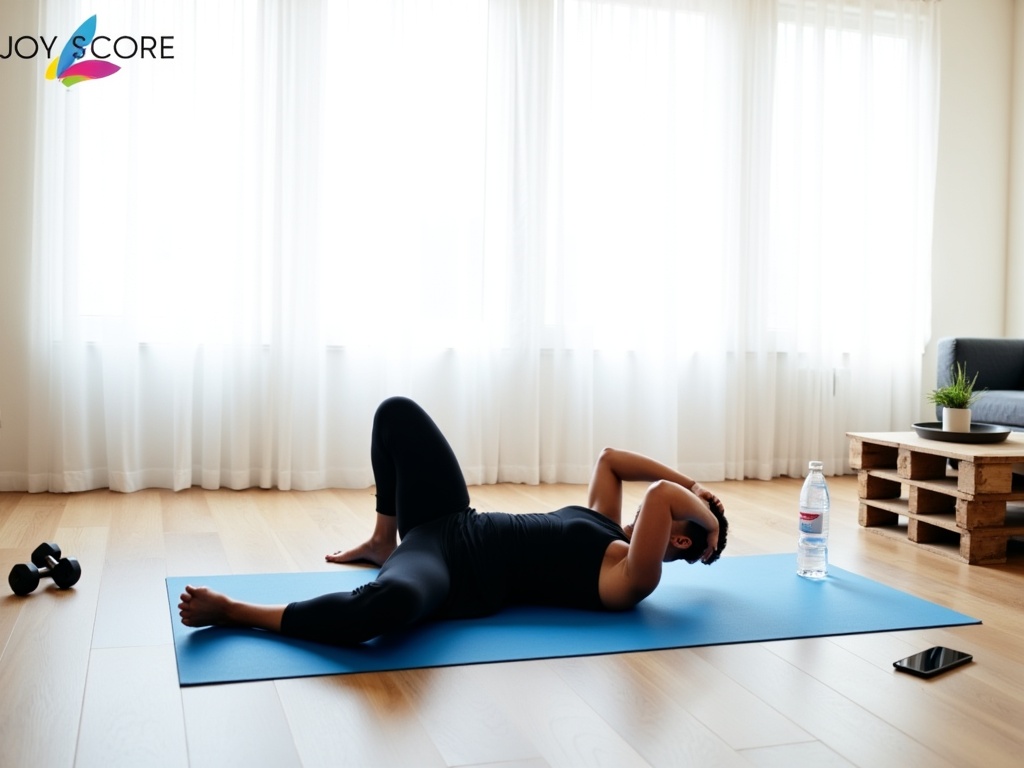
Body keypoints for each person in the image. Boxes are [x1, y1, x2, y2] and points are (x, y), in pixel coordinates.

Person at [178, 396, 728, 646]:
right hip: (447, 516)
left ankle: (236, 611)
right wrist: (699, 491)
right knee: (396, 412)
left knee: (384, 609)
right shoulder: (607, 527)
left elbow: (657, 493)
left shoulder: (633, 580)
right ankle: (379, 538)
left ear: (676, 537)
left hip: (447, 567)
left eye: (676, 519)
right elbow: (610, 458)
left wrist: (702, 509)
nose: (638, 510)